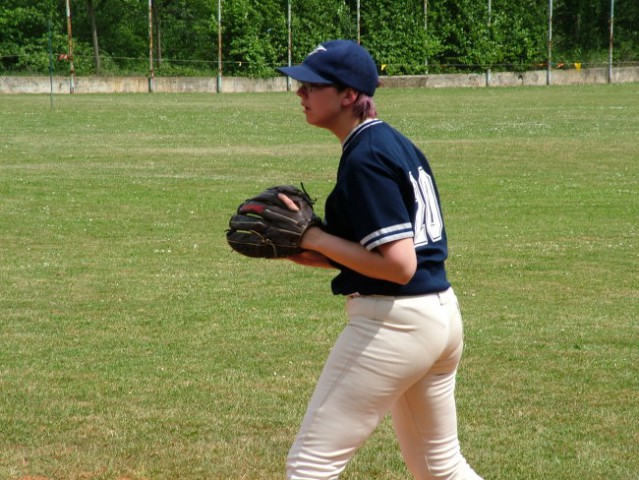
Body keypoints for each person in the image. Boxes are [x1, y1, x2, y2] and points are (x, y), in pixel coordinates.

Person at [276, 40, 483, 480]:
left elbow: (399, 264)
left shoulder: (365, 158)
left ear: (348, 95)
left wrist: (315, 236)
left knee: (309, 467)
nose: (300, 92)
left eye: (312, 84)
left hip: (395, 322)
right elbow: (388, 254)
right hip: (438, 315)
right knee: (440, 468)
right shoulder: (390, 142)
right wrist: (315, 253)